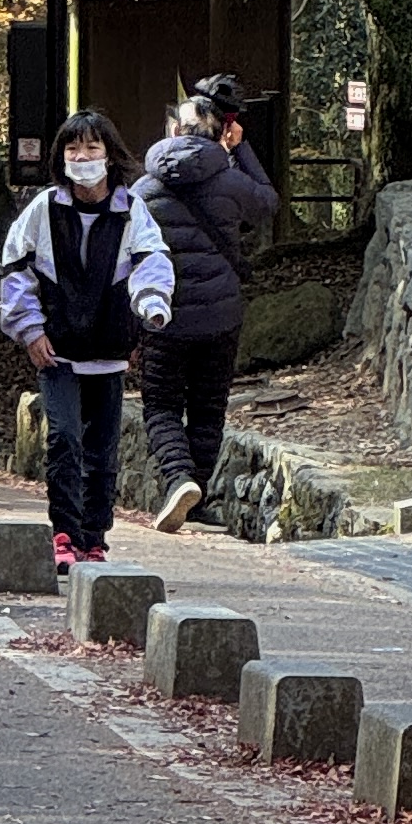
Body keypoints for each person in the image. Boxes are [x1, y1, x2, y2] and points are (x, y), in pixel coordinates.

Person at [0, 110, 175, 573]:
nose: (83, 157)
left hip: (110, 353)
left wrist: (151, 307)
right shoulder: (43, 209)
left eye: (92, 148)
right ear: (61, 157)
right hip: (56, 352)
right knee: (63, 440)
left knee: (102, 451)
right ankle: (64, 533)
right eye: (74, 149)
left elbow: (151, 264)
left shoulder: (132, 211)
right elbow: (16, 271)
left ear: (109, 156)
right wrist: (30, 330)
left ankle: (95, 538)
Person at [134, 71, 278, 531]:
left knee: (160, 405)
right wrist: (241, 148)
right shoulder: (231, 183)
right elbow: (268, 202)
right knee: (208, 407)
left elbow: (125, 258)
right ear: (223, 133)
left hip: (163, 316)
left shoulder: (143, 190)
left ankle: (179, 480)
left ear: (173, 129)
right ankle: (196, 493)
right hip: (220, 313)